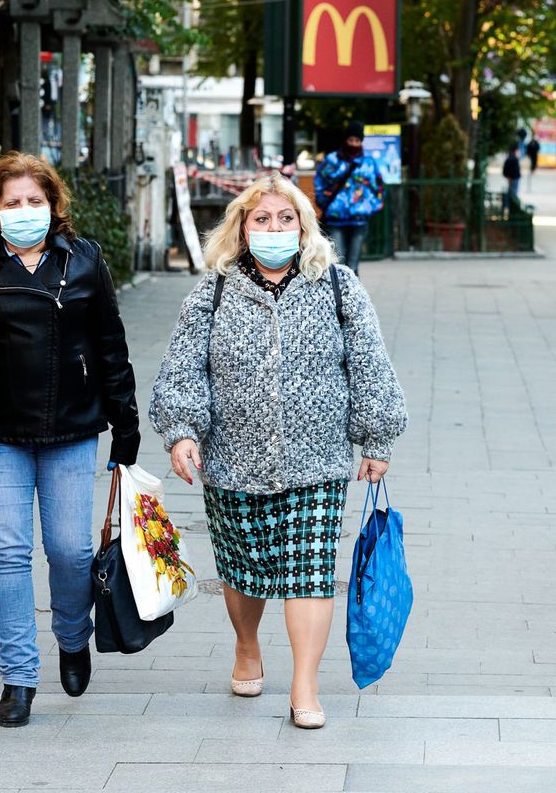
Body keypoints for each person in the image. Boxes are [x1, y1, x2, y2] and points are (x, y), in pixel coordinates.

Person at [149, 172, 407, 730]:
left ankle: (305, 685)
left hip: (317, 460)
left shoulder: (338, 286)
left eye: (284, 219)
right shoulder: (212, 290)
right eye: (261, 219)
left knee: (310, 570)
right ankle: (247, 645)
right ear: (242, 229)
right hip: (234, 460)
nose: (273, 228)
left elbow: (369, 364)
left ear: (303, 226)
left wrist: (377, 436)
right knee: (243, 569)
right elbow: (184, 369)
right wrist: (183, 431)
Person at [0, 153, 140, 728]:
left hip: (73, 429)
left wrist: (127, 430)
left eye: (35, 201)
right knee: (7, 552)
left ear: (53, 205)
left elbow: (111, 349)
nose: (25, 211)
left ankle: (73, 635)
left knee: (71, 550)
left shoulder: (85, 262)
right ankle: (18, 677)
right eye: (12, 202)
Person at [313, 120, 385, 274]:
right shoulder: (332, 160)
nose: (354, 144)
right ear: (345, 140)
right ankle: (338, 295)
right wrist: (323, 202)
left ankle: (352, 296)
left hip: (359, 219)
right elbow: (320, 181)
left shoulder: (368, 163)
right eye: (351, 140)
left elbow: (378, 187)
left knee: (353, 264)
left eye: (357, 141)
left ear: (361, 141)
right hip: (335, 218)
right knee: (338, 263)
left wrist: (371, 207)